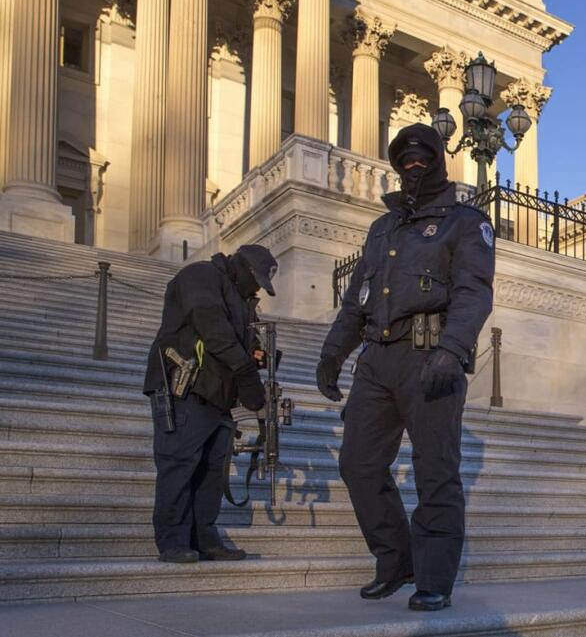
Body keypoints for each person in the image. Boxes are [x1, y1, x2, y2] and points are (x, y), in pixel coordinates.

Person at [315, 123, 495, 612]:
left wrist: (452, 350)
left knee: (436, 470)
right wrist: (333, 354)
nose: (412, 165)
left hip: (430, 356)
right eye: (404, 159)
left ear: (439, 160)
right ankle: (395, 561)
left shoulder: (465, 221)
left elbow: (474, 292)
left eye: (422, 157)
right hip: (377, 359)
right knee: (358, 463)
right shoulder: (382, 228)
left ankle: (434, 576)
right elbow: (357, 300)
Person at [143, 244, 278, 563]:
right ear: (243, 269)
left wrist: (258, 355)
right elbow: (211, 324)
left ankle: (204, 536)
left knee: (212, 470)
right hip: (184, 388)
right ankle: (173, 539)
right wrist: (246, 372)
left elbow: (244, 343)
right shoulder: (201, 275)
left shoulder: (242, 300)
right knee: (179, 464)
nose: (258, 287)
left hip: (218, 395)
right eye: (256, 279)